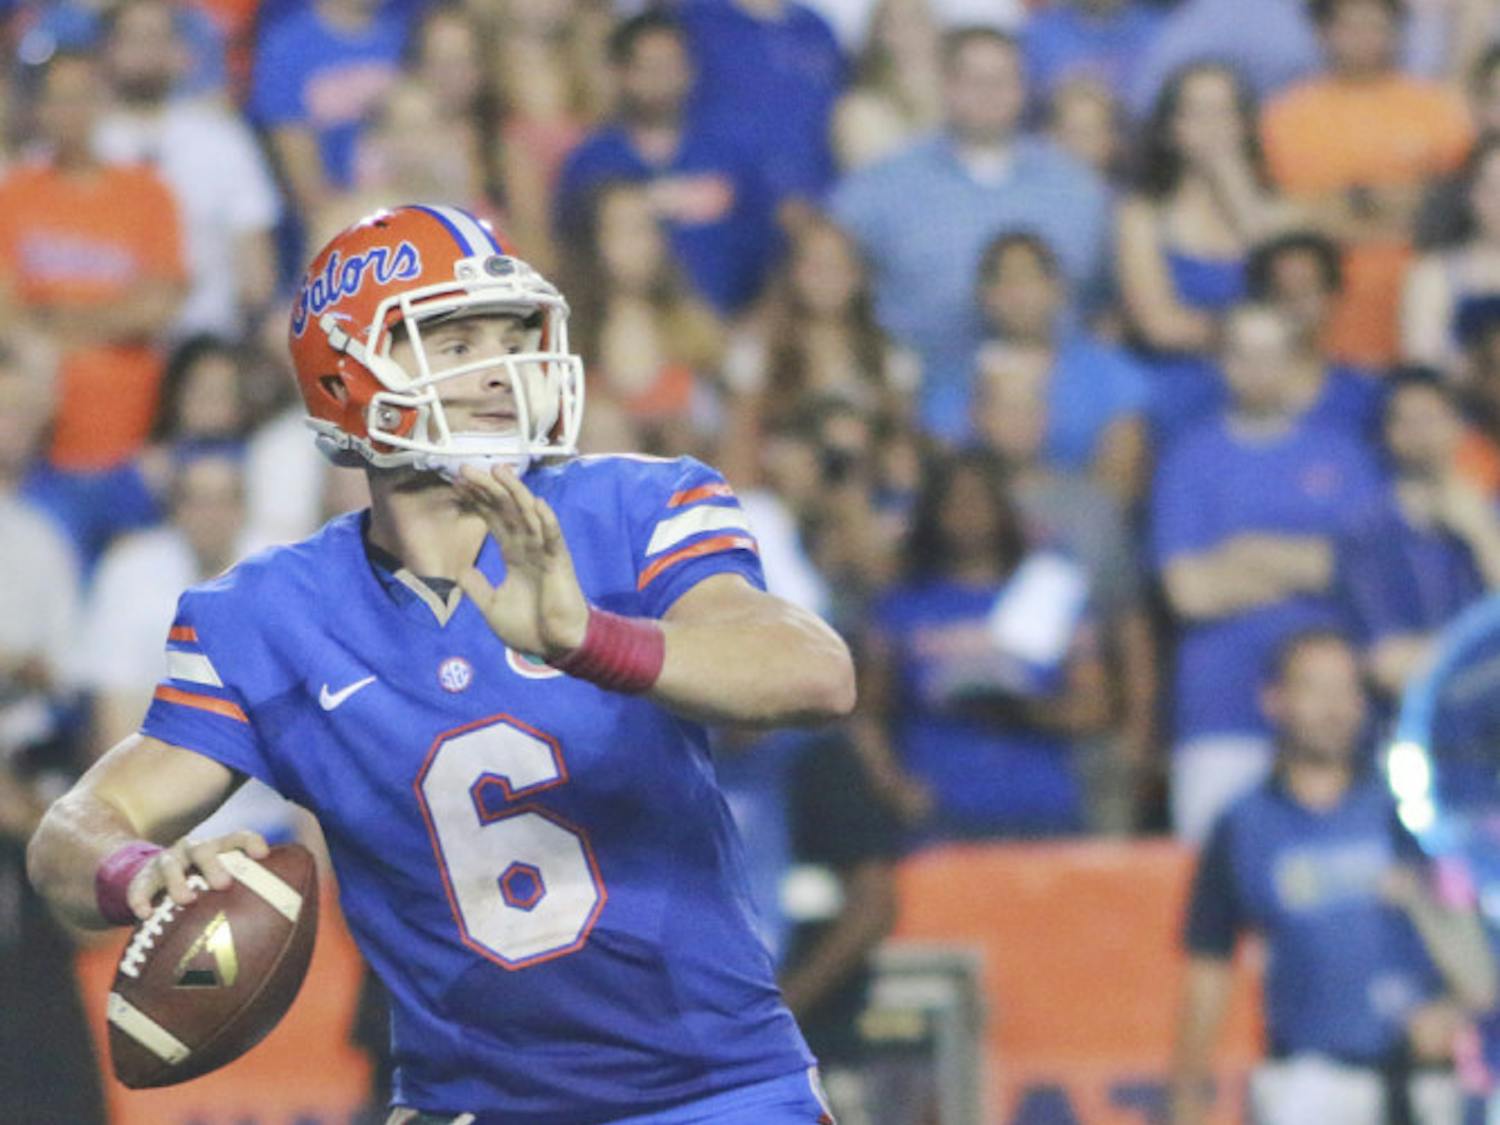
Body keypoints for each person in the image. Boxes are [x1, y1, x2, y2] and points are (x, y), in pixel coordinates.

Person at [26, 204, 855, 1124]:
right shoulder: (268, 615)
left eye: (512, 335)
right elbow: (73, 829)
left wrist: (593, 639)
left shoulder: (636, 504)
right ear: (349, 375)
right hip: (471, 1106)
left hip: (714, 1091)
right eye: (455, 341)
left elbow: (815, 673)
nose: (502, 370)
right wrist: (137, 869)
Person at [1169, 630, 1495, 1125]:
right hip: (1309, 1085)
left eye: (1347, 691)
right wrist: (1188, 1094)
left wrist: (1455, 1010)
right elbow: (1208, 969)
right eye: (1315, 690)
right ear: (1274, 700)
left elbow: (1479, 941)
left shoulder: (1410, 810)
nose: (1334, 708)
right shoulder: (1244, 825)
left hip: (1421, 1080)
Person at [1152, 302, 1383, 842]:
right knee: (1214, 887)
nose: (1258, 370)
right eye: (1243, 355)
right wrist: (1305, 563)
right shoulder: (1189, 460)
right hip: (1219, 710)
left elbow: (1361, 571)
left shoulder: (1343, 456)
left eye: (1272, 355)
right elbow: (1189, 594)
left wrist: (1246, 552)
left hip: (1330, 721)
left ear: (1295, 362)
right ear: (1221, 362)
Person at [831, 26, 1111, 439]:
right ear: (946, 86)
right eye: (973, 80)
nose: (988, 93)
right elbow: (823, 268)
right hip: (917, 409)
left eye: (1002, 80)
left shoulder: (1078, 189)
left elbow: (1105, 304)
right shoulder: (882, 185)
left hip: (1054, 410)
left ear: (1023, 89)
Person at [855, 446, 1110, 840]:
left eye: (979, 500)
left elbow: (1095, 707)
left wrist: (1022, 711)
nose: (967, 514)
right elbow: (867, 713)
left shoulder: (1048, 591)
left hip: (1041, 808)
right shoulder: (902, 605)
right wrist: (894, 787)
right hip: (942, 811)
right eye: (954, 501)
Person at [0, 48, 187, 568]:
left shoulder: (148, 194)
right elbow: (7, 316)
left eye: (81, 98)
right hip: (41, 457)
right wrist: (113, 317)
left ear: (102, 103)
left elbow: (158, 308)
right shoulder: (13, 196)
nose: (70, 113)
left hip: (133, 448)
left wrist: (55, 319)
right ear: (38, 111)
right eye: (57, 101)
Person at [1260, 0, 1472, 369]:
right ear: (1323, 32)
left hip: (1416, 313)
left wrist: (1339, 210)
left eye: (1376, 25)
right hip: (1320, 321)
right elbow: (1284, 216)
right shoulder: (1285, 116)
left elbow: (1454, 208)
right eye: (1349, 26)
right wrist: (1389, 206)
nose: (1363, 38)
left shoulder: (1439, 111)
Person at [554, 11, 778, 315]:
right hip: (618, 332)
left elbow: (768, 253)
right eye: (648, 67)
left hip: (722, 330)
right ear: (621, 72)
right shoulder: (591, 163)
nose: (661, 79)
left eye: (672, 65)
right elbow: (570, 256)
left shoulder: (731, 157)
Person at [1117, 62, 1289, 445]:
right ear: (1170, 128)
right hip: (1179, 383)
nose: (1211, 126)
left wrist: (1236, 188)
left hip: (1266, 384)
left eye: (1224, 112)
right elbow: (1160, 325)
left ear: (1245, 124)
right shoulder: (1144, 214)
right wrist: (1250, 336)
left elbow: (1287, 290)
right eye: (1196, 113)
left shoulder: (1273, 208)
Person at [97, 0, 280, 340]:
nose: (146, 51)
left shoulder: (222, 138)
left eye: (157, 37)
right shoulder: (82, 141)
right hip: (102, 337)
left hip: (206, 338)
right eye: (133, 38)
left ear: (180, 51)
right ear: (107, 50)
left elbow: (257, 268)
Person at [1338, 370, 1500, 699]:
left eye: (1430, 418)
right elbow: (1386, 663)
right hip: (1412, 721)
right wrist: (1482, 657)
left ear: (1459, 426)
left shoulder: (1490, 517)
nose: (1420, 434)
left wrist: (1482, 535)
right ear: (1386, 434)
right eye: (1405, 421)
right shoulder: (1368, 532)